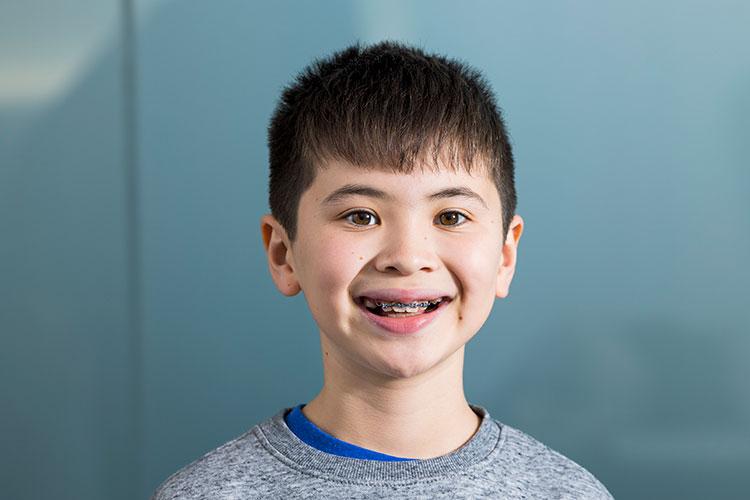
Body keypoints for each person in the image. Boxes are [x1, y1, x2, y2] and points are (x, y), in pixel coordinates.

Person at [153, 40, 613, 499]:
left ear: (505, 256)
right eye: (360, 216)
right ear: (282, 253)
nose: (407, 256)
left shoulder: (569, 493)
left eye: (451, 216)